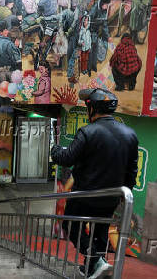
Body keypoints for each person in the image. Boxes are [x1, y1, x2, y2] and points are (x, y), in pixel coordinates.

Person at [51, 88, 138, 279]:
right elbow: (131, 172)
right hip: (112, 197)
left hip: (84, 196)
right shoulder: (130, 134)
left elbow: (66, 158)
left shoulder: (88, 132)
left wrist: (55, 148)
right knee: (100, 233)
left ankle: (95, 260)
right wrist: (125, 195)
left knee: (71, 227)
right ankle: (92, 268)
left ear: (93, 108)